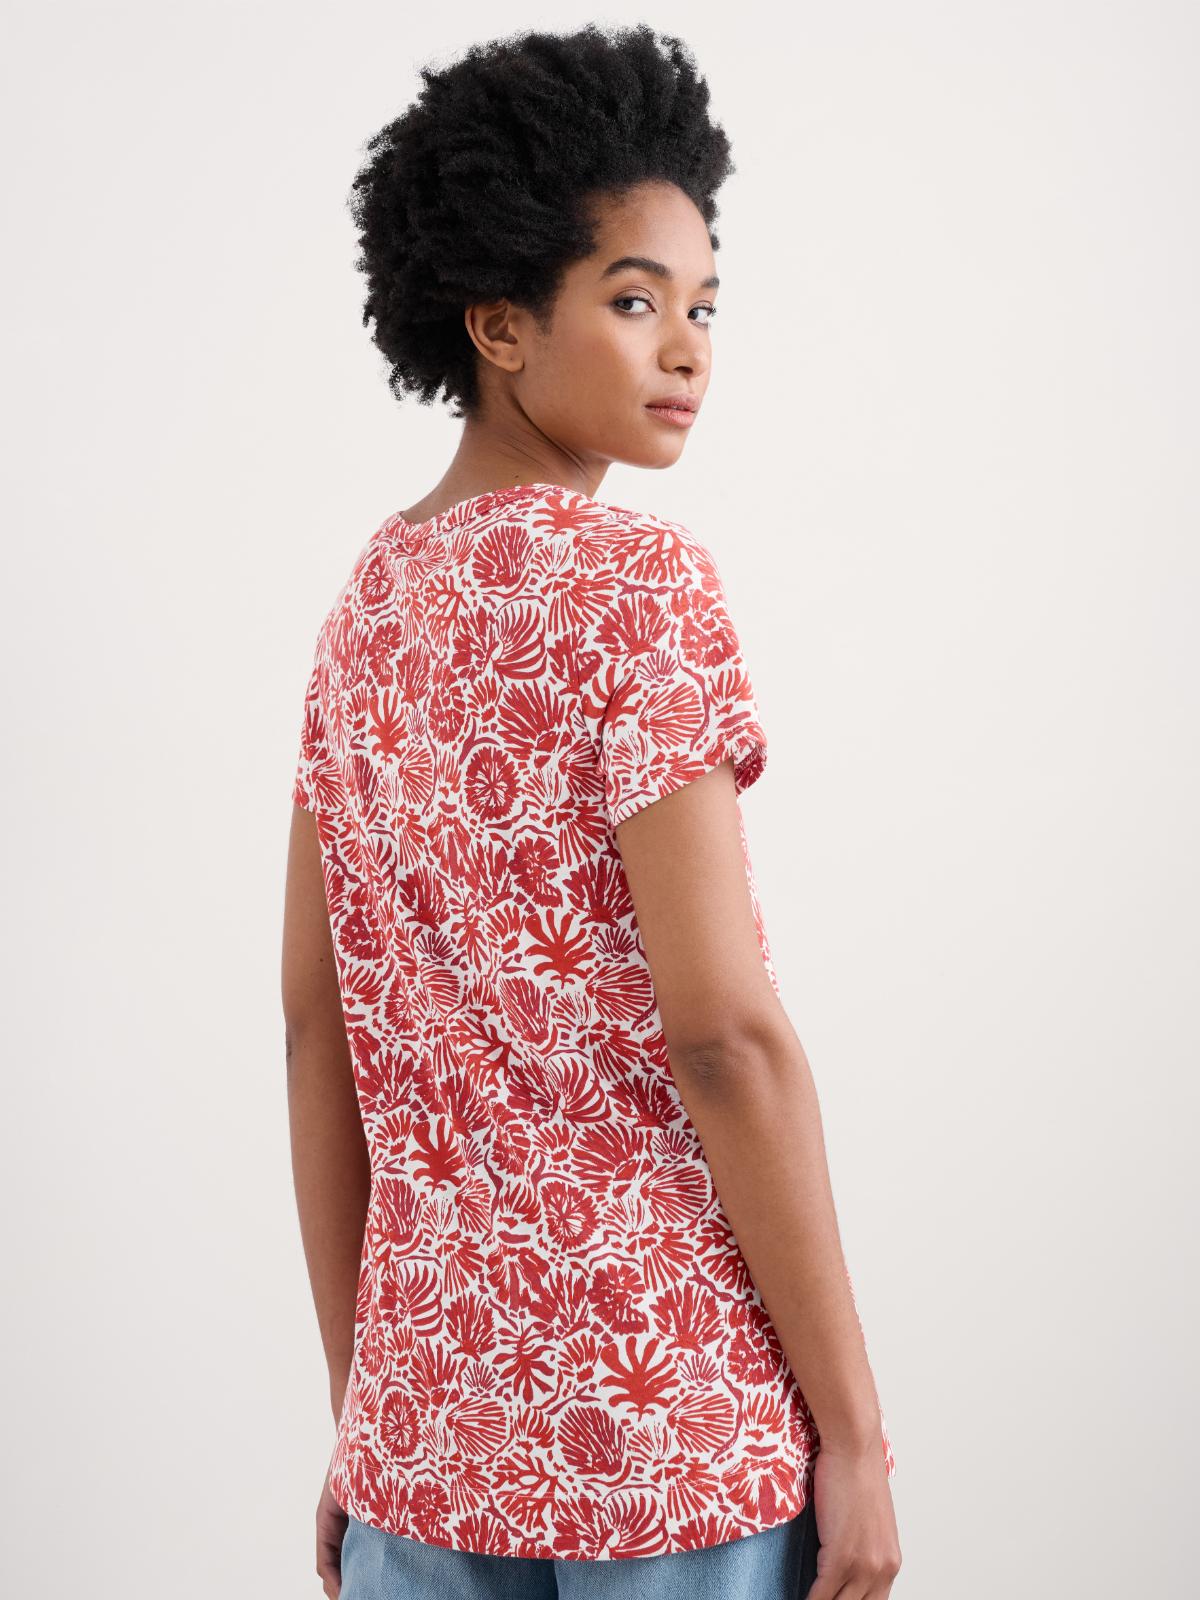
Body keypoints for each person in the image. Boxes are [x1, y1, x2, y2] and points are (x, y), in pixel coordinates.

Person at [280, 23, 901, 1600]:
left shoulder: (368, 607)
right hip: (667, 1436)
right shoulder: (636, 588)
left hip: (428, 1447)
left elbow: (313, 1026)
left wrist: (370, 1415)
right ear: (498, 320)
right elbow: (725, 1038)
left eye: (704, 305)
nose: (687, 348)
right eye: (634, 301)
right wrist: (855, 1437)